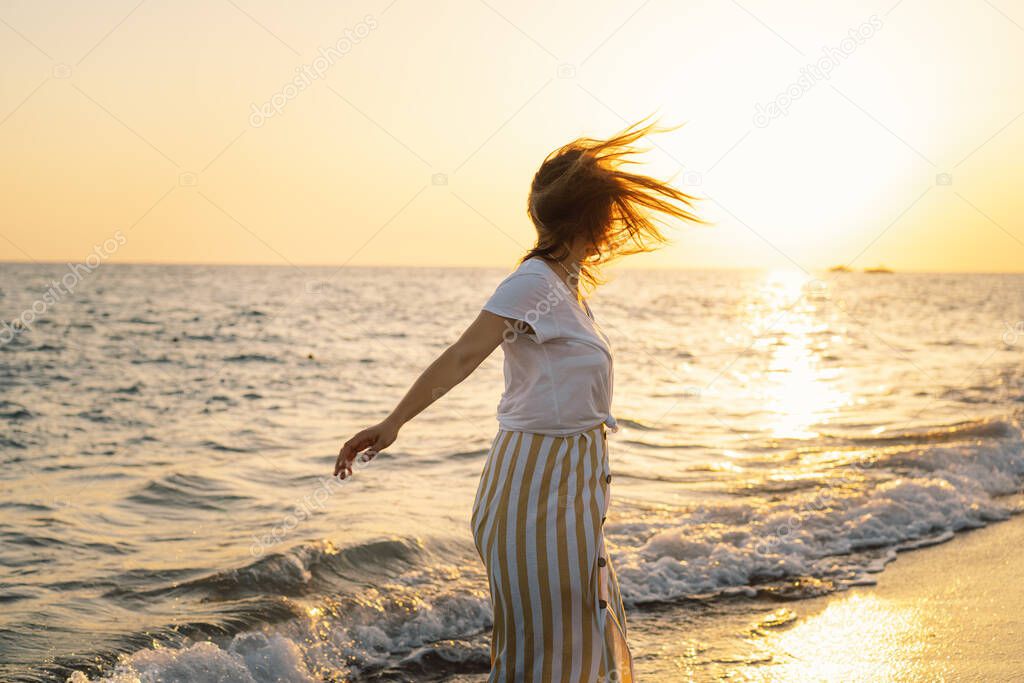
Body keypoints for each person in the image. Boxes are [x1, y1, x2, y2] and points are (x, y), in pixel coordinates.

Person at [335, 120, 701, 681]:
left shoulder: (568, 286)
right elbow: (463, 356)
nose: (614, 226)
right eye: (608, 214)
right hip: (531, 493)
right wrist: (393, 423)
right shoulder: (533, 282)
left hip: (571, 489)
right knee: (542, 656)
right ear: (592, 219)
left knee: (584, 641)